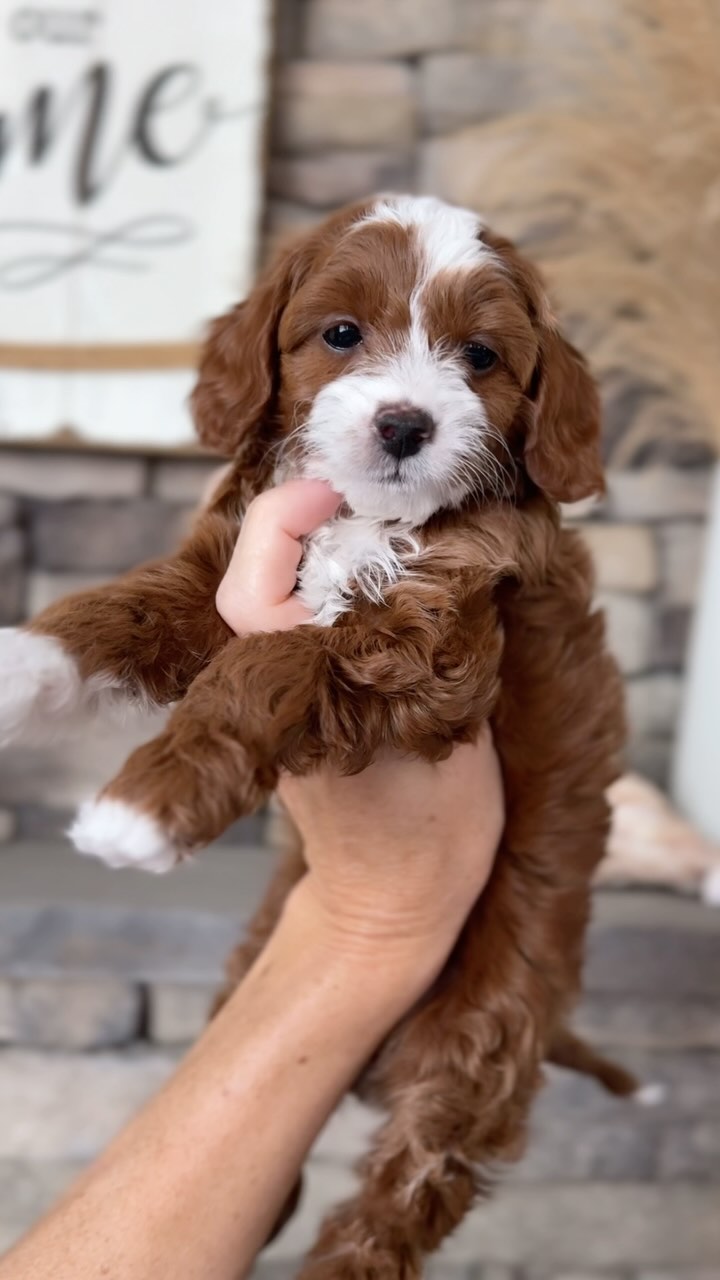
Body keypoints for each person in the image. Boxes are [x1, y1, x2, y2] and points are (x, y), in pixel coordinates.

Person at [0, 480, 504, 1280]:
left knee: (451, 1096)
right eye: (341, 341)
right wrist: (368, 916)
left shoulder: (489, 534)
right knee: (247, 987)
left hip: (491, 888)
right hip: (373, 874)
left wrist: (369, 916)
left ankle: (380, 1245)